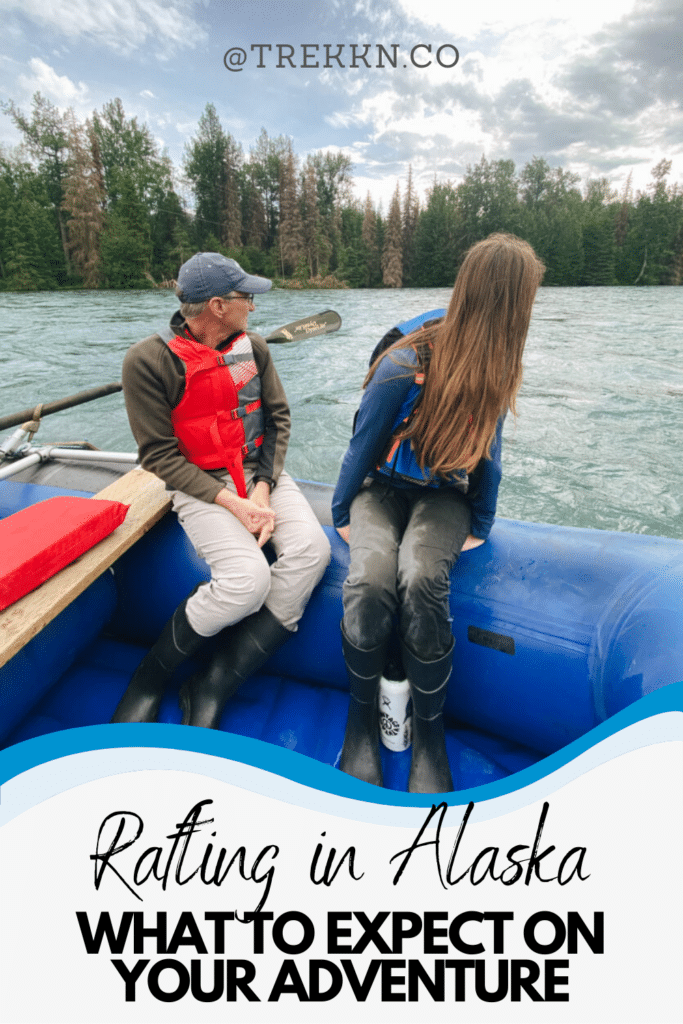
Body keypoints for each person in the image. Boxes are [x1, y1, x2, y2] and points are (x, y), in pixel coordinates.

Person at [332, 233, 545, 793]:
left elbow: (490, 453)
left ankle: (429, 737)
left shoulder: (498, 363)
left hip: (445, 495)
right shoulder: (405, 362)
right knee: (371, 580)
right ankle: (360, 728)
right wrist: (342, 514)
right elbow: (362, 443)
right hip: (382, 487)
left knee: (424, 575)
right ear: (509, 303)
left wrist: (481, 522)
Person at [112, 253, 331, 728]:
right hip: (200, 483)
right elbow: (159, 457)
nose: (253, 306)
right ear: (217, 305)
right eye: (245, 297)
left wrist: (264, 490)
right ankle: (149, 678)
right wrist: (230, 501)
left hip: (257, 472)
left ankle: (215, 680)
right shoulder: (147, 364)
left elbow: (278, 421)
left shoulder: (253, 349)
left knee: (313, 552)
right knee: (247, 581)